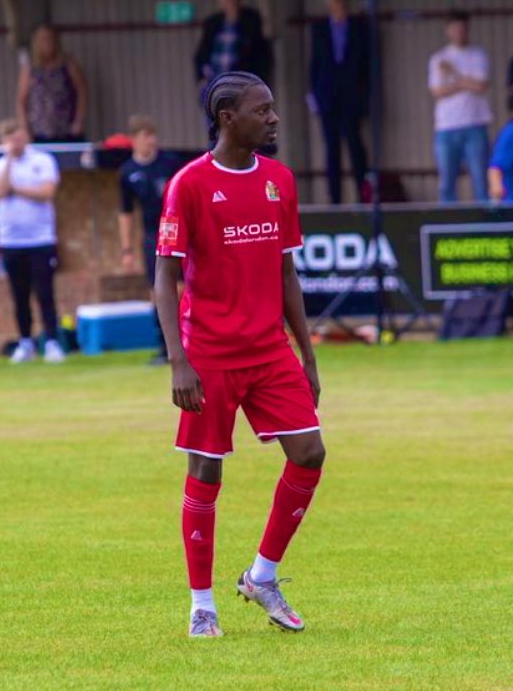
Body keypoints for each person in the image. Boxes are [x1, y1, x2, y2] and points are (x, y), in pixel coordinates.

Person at [155, 71, 325, 637]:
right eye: (262, 110)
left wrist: (307, 354)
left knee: (310, 453)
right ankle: (202, 604)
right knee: (206, 469)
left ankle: (261, 577)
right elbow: (164, 277)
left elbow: (287, 273)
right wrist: (178, 360)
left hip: (269, 349)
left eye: (272, 108)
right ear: (228, 118)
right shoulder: (189, 184)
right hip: (209, 353)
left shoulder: (279, 180)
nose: (273, 118)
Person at [0, 117, 66, 363]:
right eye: (10, 139)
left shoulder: (42, 161)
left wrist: (17, 189)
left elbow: (47, 192)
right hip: (11, 241)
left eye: (19, 137)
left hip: (41, 239)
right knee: (19, 295)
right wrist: (9, 161)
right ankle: (25, 342)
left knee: (45, 292)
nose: (16, 142)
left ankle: (51, 341)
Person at [118, 115, 182, 365]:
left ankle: (190, 341)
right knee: (157, 290)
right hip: (151, 236)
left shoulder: (170, 163)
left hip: (177, 232)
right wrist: (126, 250)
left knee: (182, 287)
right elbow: (125, 213)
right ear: (133, 139)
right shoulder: (127, 172)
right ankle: (164, 346)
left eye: (153, 135)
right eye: (146, 136)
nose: (152, 140)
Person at [309, 0, 371, 204]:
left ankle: (363, 197)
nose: (341, 4)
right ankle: (334, 200)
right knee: (331, 148)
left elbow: (367, 66)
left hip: (351, 97)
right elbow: (315, 64)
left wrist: (365, 97)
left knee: (355, 145)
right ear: (329, 4)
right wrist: (313, 95)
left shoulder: (358, 27)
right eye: (336, 0)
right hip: (328, 96)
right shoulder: (320, 29)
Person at [428, 10, 492, 203]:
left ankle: (485, 218)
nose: (459, 32)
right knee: (446, 183)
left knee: (481, 181)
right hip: (447, 126)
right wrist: (466, 83)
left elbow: (481, 86)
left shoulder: (478, 54)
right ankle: (448, 219)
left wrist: (454, 75)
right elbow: (437, 91)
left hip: (475, 124)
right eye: (455, 28)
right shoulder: (439, 58)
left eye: (462, 28)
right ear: (448, 30)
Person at [194, 0, 272, 90]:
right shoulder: (212, 23)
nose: (230, 2)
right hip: (215, 80)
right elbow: (201, 54)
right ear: (221, 3)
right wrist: (201, 78)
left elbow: (262, 53)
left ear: (239, 0)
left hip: (242, 82)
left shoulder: (251, 21)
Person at [16, 25, 87, 143]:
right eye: (43, 39)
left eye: (50, 38)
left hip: (67, 128)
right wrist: (24, 128)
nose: (47, 43)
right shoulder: (29, 68)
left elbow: (82, 91)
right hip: (38, 131)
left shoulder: (68, 64)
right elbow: (21, 100)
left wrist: (79, 120)